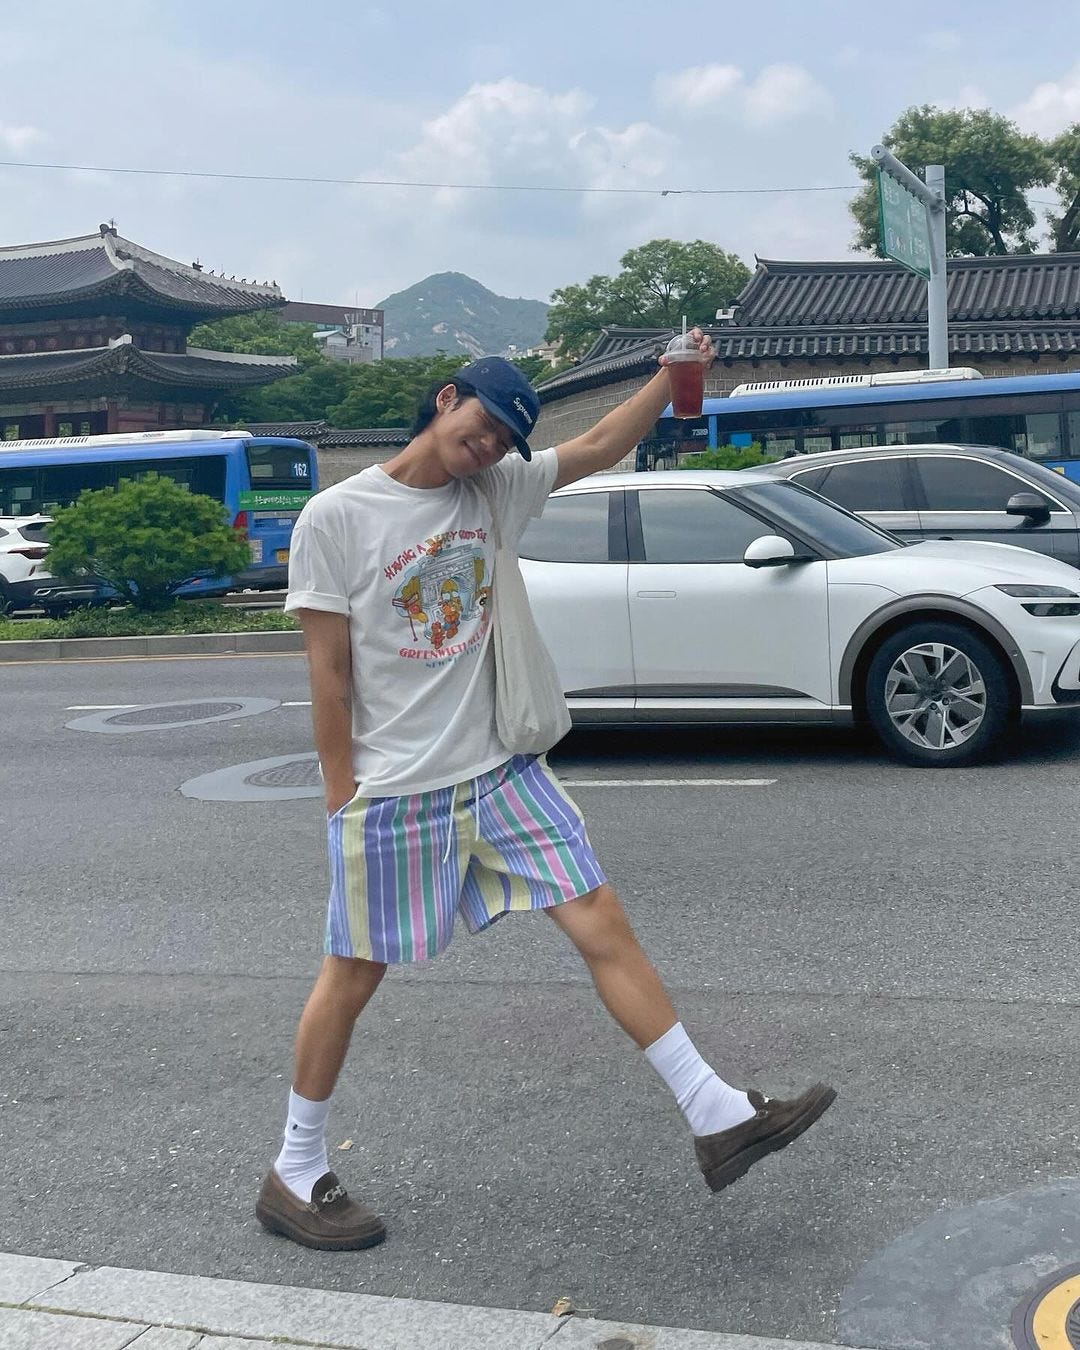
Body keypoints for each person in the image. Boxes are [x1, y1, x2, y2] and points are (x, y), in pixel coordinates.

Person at [255, 334, 836, 1250]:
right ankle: (293, 1171)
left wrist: (673, 375)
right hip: (398, 789)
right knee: (355, 971)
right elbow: (328, 677)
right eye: (482, 428)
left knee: (600, 915)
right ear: (446, 401)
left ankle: (716, 1112)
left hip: (503, 770)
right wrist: (342, 799)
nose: (485, 451)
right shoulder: (336, 516)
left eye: (501, 444)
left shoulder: (495, 492)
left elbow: (601, 443)